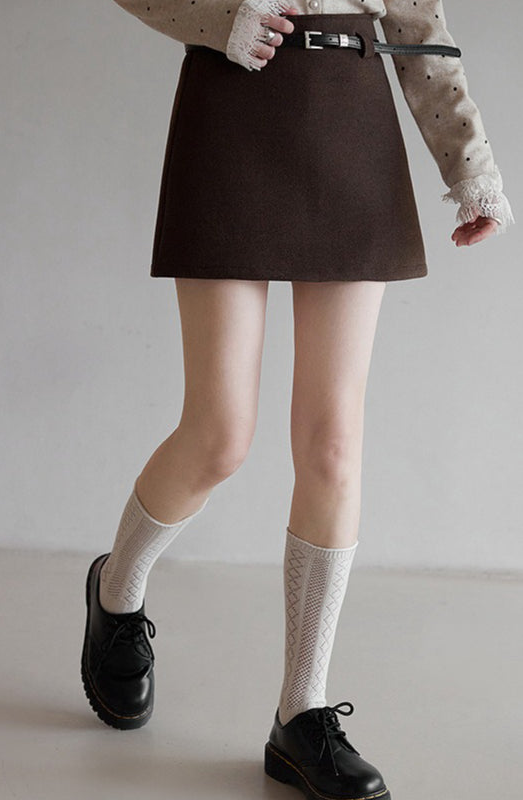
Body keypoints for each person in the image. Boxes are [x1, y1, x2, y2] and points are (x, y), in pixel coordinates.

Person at [81, 2, 515, 799]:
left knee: (332, 446)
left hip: (350, 124)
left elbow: (417, 23)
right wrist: (217, 17)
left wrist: (471, 169)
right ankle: (116, 591)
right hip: (230, 106)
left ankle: (301, 713)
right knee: (219, 436)